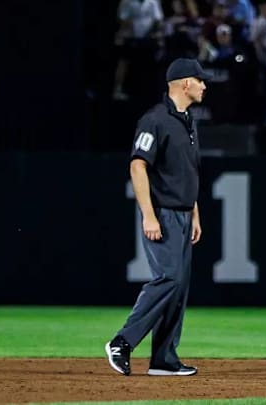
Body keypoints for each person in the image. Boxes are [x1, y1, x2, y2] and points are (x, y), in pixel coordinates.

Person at [105, 58, 210, 377]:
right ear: (185, 83)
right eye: (201, 80)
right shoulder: (155, 119)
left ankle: (164, 358)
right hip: (162, 213)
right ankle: (122, 342)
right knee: (169, 279)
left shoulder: (187, 119)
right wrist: (149, 215)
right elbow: (138, 165)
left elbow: (186, 173)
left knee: (179, 288)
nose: (205, 85)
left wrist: (195, 213)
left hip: (182, 213)